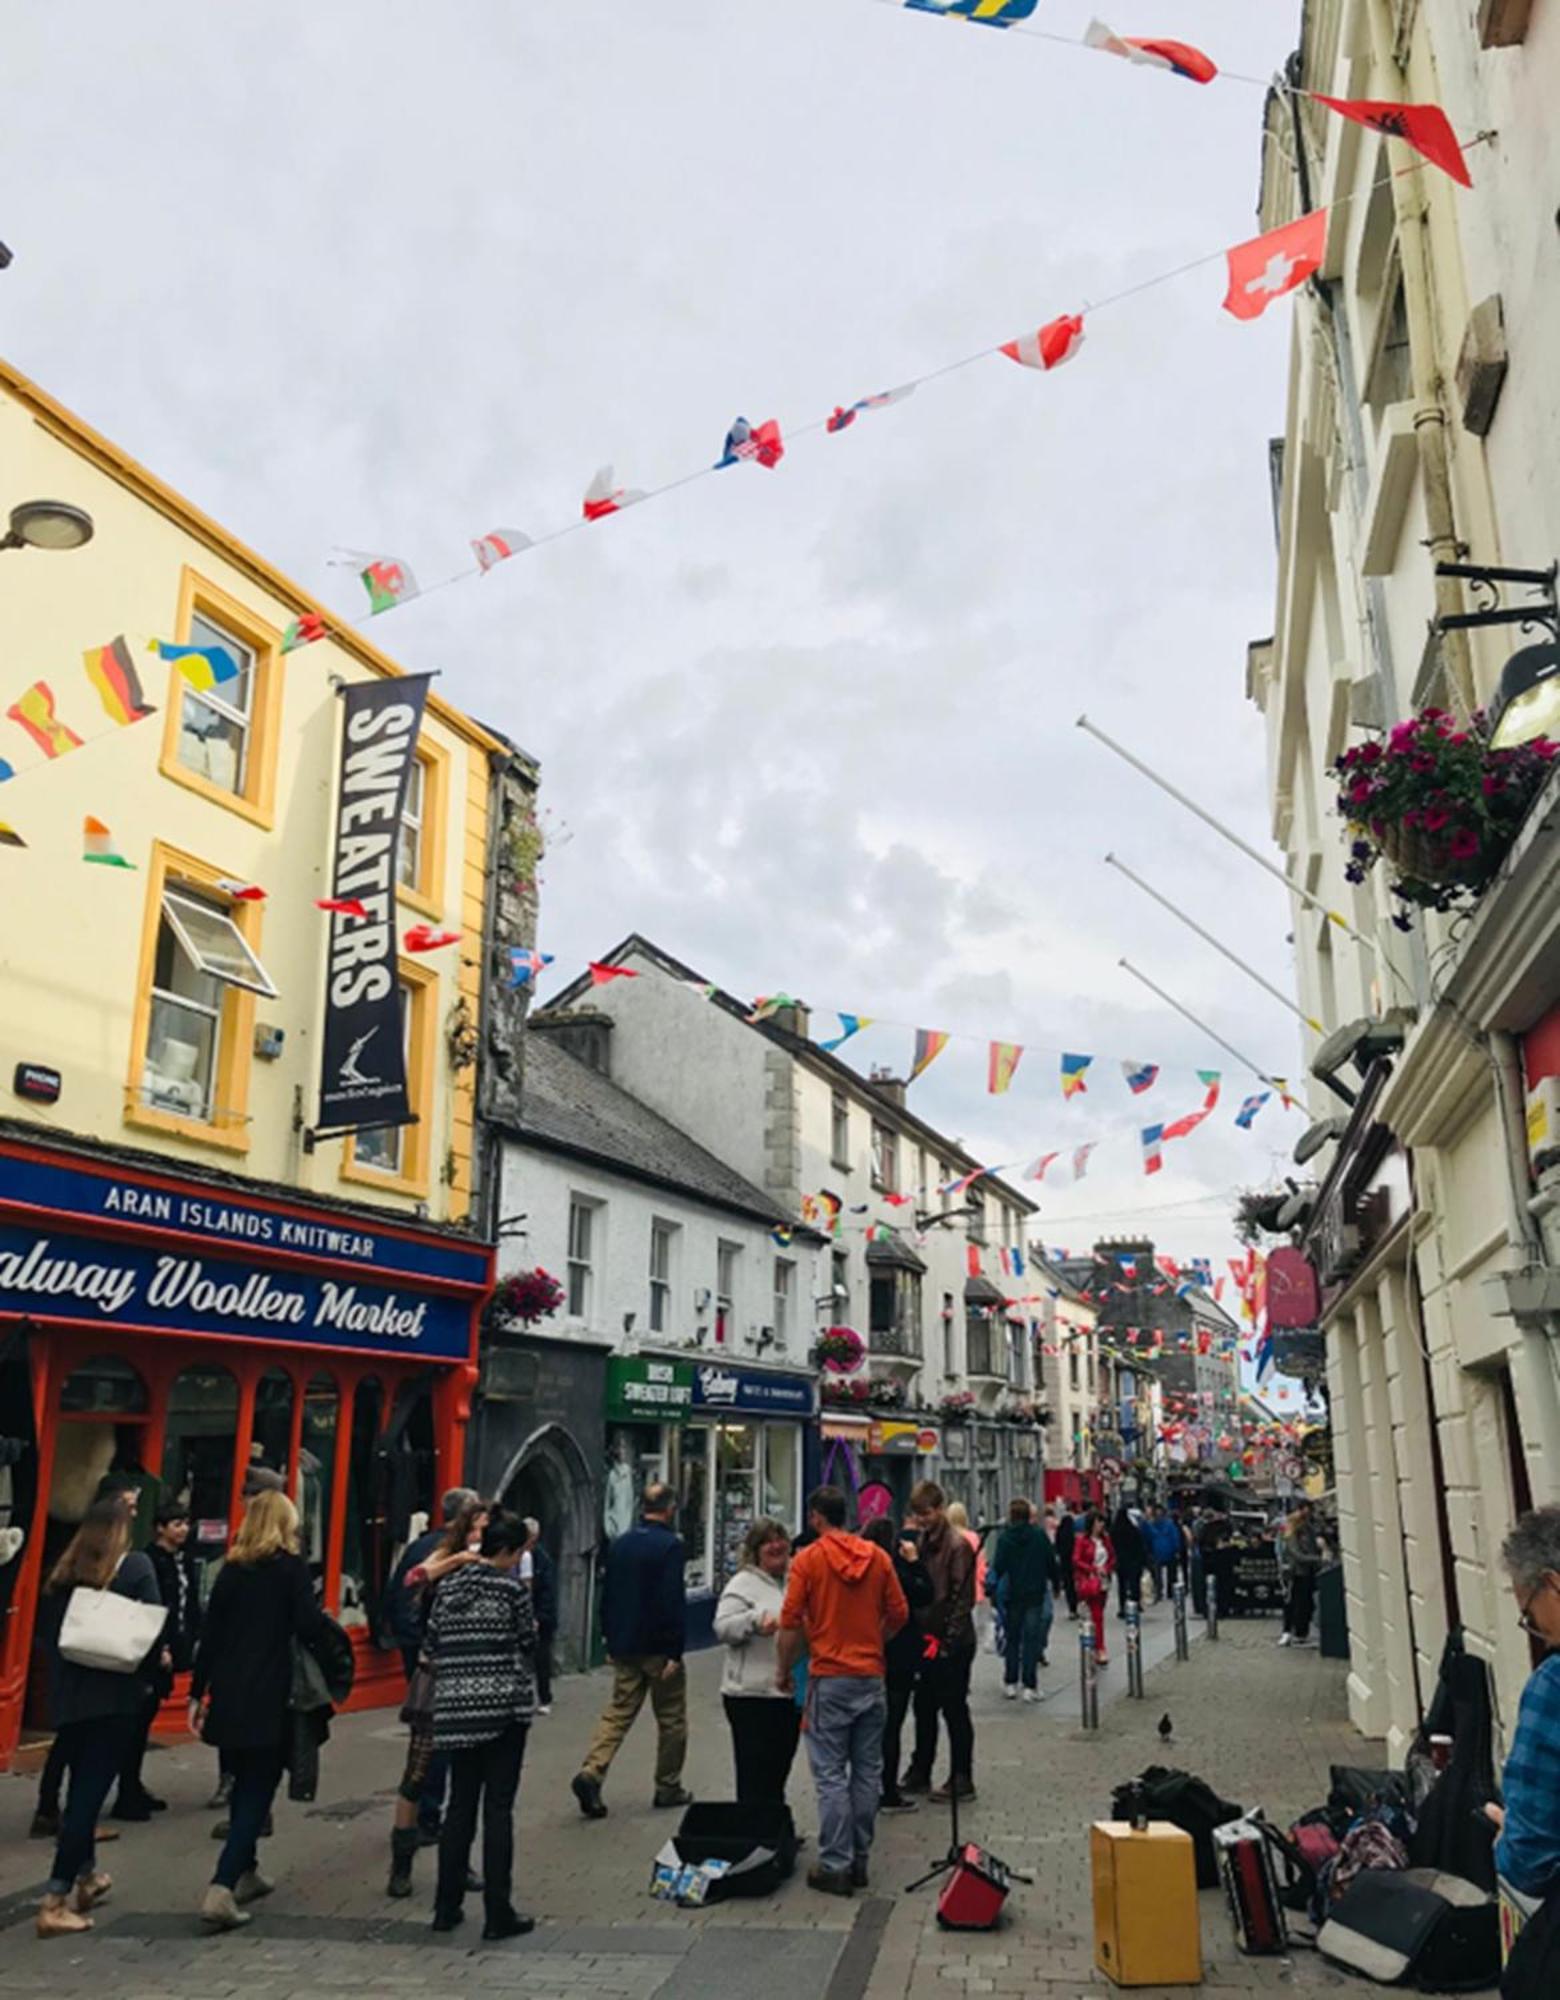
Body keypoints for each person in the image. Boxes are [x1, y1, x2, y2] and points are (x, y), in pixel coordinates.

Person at [190, 1488, 333, 1932]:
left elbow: (209, 1635)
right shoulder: (289, 1570)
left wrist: (197, 1693)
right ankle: (222, 1885)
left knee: (241, 1781)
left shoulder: (231, 1571)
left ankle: (247, 1870)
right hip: (272, 1695)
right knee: (257, 1789)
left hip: (230, 1695)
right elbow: (309, 1625)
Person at [33, 1500, 164, 1938]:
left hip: (70, 1700)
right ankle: (54, 1899)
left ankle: (87, 1877)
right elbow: (151, 1629)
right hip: (115, 1701)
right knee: (87, 1798)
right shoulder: (136, 1568)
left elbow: (48, 1638)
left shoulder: (63, 1575)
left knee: (79, 1785)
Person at [777, 1487, 907, 1895]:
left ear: (816, 1517)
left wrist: (784, 1669)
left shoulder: (808, 1561)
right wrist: (875, 1641)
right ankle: (861, 1859)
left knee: (830, 1774)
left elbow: (790, 1620)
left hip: (829, 1677)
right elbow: (899, 1613)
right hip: (870, 1676)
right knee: (867, 1771)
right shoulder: (879, 1558)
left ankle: (836, 1863)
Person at [424, 1509, 538, 1940]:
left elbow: (432, 1643)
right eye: (518, 1553)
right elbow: (528, 1642)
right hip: (502, 1711)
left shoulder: (448, 1588)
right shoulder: (510, 1592)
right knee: (498, 1810)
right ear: (506, 1550)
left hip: (454, 1709)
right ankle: (498, 1912)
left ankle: (445, 1906)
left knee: (459, 1807)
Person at [385, 1493, 487, 1899]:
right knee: (418, 1769)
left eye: (486, 1529)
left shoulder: (496, 1569)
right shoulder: (440, 1558)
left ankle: (458, 1864)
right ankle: (401, 1864)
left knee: (465, 1780)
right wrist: (459, 1560)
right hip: (436, 1675)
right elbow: (412, 1580)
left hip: (469, 1682)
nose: (482, 1536)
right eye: (476, 1528)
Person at [571, 1481, 689, 1819]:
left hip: (625, 1643)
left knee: (618, 1712)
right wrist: (674, 1651)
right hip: (657, 1646)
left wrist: (608, 1636)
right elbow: (672, 1600)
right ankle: (668, 1786)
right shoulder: (670, 1546)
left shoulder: (621, 1544)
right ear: (670, 1509)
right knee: (671, 1719)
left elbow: (608, 1594)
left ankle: (592, 1770)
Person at [1485, 1508, 1560, 1906]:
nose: (1540, 1636)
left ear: (1552, 1585)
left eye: (1530, 1614)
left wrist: (1507, 1835)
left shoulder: (1554, 1687)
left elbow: (1530, 1860)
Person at [112, 1496, 202, 1821]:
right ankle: (127, 1791)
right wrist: (160, 1645)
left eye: (186, 1523)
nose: (184, 1530)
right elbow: (148, 1608)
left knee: (142, 1720)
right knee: (135, 1722)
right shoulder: (148, 1561)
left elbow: (188, 1605)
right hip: (150, 1651)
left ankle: (132, 1786)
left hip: (174, 1649)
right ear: (160, 1528)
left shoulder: (186, 1561)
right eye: (177, 1524)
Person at [713, 1517, 800, 1807]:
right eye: (768, 1542)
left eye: (780, 1539)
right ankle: (753, 1831)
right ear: (755, 1549)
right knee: (753, 1772)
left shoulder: (796, 1579)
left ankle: (774, 1826)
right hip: (749, 1695)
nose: (776, 1546)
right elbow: (722, 1627)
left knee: (779, 1767)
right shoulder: (743, 1584)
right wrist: (752, 1622)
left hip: (788, 1692)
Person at [900, 1480, 977, 1803]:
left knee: (954, 1708)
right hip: (925, 1637)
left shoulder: (957, 1546)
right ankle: (921, 1769)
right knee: (924, 1706)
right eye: (918, 1514)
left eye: (927, 1513)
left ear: (941, 1509)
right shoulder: (921, 1541)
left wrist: (948, 1640)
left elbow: (962, 1597)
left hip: (951, 1641)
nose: (922, 1519)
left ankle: (962, 1776)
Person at [860, 1517, 932, 1813]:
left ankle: (865, 1787)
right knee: (891, 1725)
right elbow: (925, 1593)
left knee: (867, 1728)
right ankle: (887, 1790)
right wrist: (915, 1563)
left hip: (864, 1655)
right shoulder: (895, 1570)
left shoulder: (861, 1570)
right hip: (898, 1655)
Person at [991, 1499, 1061, 1701]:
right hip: (1035, 1594)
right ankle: (1029, 1685)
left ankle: (1010, 1682)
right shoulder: (1039, 1536)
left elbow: (999, 1566)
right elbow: (1051, 1561)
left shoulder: (1005, 1539)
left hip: (1014, 1595)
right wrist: (1056, 1584)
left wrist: (994, 1590)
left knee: (1013, 1639)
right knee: (1031, 1640)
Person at [523, 1518, 558, 1714]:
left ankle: (545, 1698)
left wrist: (539, 1616)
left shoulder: (542, 1559)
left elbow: (547, 1591)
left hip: (541, 1617)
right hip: (524, 1613)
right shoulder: (517, 1554)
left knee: (541, 1658)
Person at [1278, 1501, 1324, 1647]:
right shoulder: (1291, 1531)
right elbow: (1296, 1554)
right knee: (1293, 1603)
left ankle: (1301, 1632)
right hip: (1295, 1573)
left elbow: (1312, 1547)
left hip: (1308, 1572)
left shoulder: (1310, 1529)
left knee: (1306, 1603)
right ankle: (1290, 1631)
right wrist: (1317, 1559)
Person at [1073, 1509, 1113, 1667]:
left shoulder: (1105, 1540)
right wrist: (1092, 1569)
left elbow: (1112, 1557)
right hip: (1090, 1580)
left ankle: (1093, 1643)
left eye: (1102, 1522)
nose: (1101, 1525)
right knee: (1096, 1615)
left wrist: (1107, 1569)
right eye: (1098, 1522)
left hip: (1103, 1581)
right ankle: (1100, 1647)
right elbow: (1076, 1560)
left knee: (1098, 1613)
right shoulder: (1082, 1541)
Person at [1111, 1503, 1146, 1619]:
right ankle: (1135, 1604)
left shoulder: (1114, 1530)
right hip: (1134, 1561)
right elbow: (1140, 1546)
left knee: (1122, 1586)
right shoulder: (1133, 1530)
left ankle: (1122, 1607)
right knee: (1134, 1584)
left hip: (1121, 1561)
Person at [1054, 1506, 1079, 1619]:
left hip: (1064, 1562)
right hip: (1074, 1562)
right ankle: (1077, 1605)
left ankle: (1071, 1609)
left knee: (1068, 1585)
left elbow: (1057, 1547)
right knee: (1076, 1584)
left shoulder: (1060, 1532)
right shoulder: (1073, 1535)